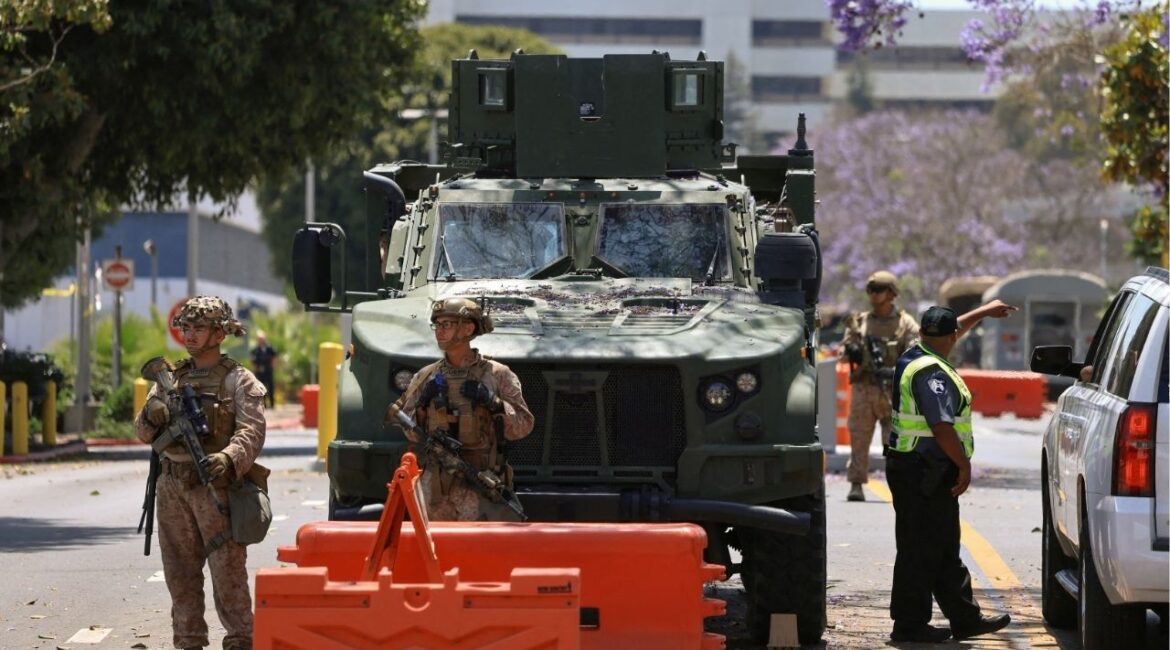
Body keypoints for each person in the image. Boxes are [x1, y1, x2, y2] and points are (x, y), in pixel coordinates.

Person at [135, 296, 268, 650]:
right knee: (180, 573)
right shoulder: (170, 378)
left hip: (216, 487)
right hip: (172, 486)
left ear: (220, 333)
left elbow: (252, 431)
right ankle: (189, 641)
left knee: (228, 572)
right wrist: (155, 413)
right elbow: (142, 432)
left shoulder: (238, 380)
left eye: (200, 328)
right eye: (187, 328)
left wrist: (228, 457)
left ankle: (240, 640)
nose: (191, 336)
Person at [885, 301, 1017, 643]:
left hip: (918, 467)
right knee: (920, 548)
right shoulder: (932, 373)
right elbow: (941, 426)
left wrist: (984, 310)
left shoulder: (917, 353)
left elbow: (952, 327)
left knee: (941, 546)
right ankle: (910, 625)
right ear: (951, 338)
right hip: (924, 470)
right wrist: (964, 464)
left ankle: (964, 618)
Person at [386, 297, 534, 521]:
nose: (439, 331)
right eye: (437, 325)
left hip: (481, 483)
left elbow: (523, 426)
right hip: (435, 488)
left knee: (480, 552)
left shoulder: (497, 374)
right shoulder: (425, 376)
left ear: (468, 328)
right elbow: (410, 431)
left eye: (447, 324)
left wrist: (493, 402)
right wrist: (423, 402)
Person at [842, 270, 919, 501]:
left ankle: (899, 486)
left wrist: (895, 371)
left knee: (895, 443)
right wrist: (851, 351)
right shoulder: (860, 323)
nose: (874, 295)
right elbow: (844, 352)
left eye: (879, 290)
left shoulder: (906, 324)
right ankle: (856, 484)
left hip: (893, 391)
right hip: (865, 389)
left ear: (892, 294)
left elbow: (915, 353)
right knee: (859, 438)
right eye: (871, 290)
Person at [249, 330, 278, 408]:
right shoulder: (255, 350)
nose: (261, 341)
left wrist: (273, 366)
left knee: (270, 387)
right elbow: (252, 361)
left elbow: (274, 357)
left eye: (262, 339)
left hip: (268, 370)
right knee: (261, 388)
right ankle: (263, 404)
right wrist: (254, 371)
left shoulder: (269, 348)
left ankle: (272, 404)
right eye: (259, 339)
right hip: (259, 371)